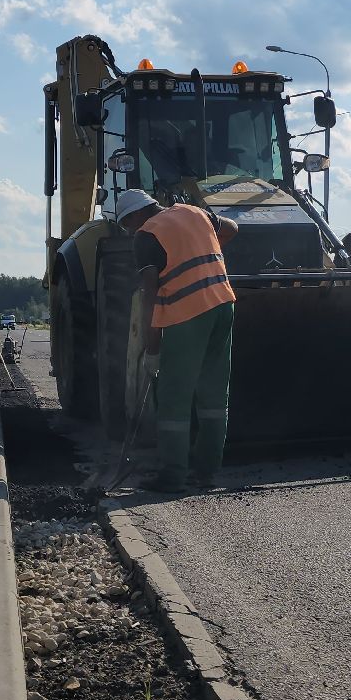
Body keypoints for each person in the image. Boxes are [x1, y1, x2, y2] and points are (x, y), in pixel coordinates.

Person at [119, 189, 239, 492]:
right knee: (214, 394)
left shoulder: (146, 236)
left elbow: (149, 295)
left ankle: (172, 476)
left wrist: (152, 347)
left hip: (188, 313)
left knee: (174, 397)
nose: (129, 231)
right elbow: (233, 228)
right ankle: (206, 472)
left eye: (126, 224)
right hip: (224, 305)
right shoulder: (193, 212)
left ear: (135, 215)